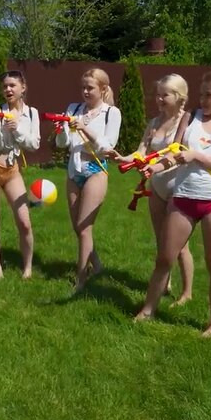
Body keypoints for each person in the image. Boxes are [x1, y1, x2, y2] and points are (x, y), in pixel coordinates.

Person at [134, 70, 211, 338]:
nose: (202, 100)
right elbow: (174, 154)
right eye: (201, 94)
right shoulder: (190, 118)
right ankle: (148, 310)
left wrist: (196, 155)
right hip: (183, 198)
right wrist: (155, 167)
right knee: (164, 257)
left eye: (209, 95)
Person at [109, 74, 194, 306]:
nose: (159, 99)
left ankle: (187, 293)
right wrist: (122, 158)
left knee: (180, 245)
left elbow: (180, 155)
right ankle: (165, 283)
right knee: (161, 240)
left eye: (164, 95)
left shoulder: (186, 124)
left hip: (178, 188)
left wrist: (155, 166)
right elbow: (141, 152)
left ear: (179, 97)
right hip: (157, 187)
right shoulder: (154, 123)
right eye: (157, 94)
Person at [54, 68, 121, 292]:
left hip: (96, 169)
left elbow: (108, 146)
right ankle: (97, 265)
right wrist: (61, 130)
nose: (84, 91)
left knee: (84, 227)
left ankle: (81, 278)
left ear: (103, 89)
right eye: (82, 87)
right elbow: (63, 143)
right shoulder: (74, 109)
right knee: (78, 227)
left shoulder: (112, 113)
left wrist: (85, 128)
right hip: (74, 169)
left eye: (90, 88)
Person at [0, 70, 41, 279]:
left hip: (13, 171)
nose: (8, 89)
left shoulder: (32, 113)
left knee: (24, 221)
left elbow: (34, 144)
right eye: (5, 86)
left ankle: (28, 268)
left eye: (12, 85)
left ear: (23, 88)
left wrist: (16, 129)